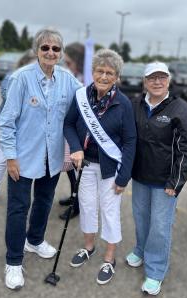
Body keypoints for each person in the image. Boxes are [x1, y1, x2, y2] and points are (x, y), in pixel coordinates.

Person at [0, 28, 82, 290]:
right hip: (23, 159)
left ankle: (34, 240)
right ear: (37, 51)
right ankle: (13, 261)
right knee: (18, 208)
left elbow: (90, 101)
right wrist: (10, 158)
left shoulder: (68, 80)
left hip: (52, 158)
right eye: (45, 47)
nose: (50, 52)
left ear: (61, 53)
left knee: (44, 202)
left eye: (56, 49)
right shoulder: (21, 79)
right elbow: (6, 122)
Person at [64, 48, 136, 285]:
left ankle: (109, 258)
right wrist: (75, 147)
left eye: (109, 73)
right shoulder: (81, 96)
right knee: (86, 206)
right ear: (92, 72)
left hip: (110, 169)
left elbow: (129, 141)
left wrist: (123, 177)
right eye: (99, 71)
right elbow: (69, 124)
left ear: (117, 77)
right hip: (85, 164)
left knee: (110, 211)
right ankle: (89, 247)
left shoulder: (123, 103)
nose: (104, 77)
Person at [126, 62, 187, 295]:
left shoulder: (180, 108)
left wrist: (175, 183)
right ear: (144, 81)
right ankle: (140, 249)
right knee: (141, 218)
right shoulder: (135, 103)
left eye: (161, 77)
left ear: (169, 80)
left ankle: (155, 270)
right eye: (152, 78)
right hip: (140, 176)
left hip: (165, 181)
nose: (157, 82)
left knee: (160, 226)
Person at [0, 49, 37, 210]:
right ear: (24, 63)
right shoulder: (13, 77)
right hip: (10, 126)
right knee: (2, 159)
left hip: (27, 128)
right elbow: (7, 97)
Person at [58, 42, 85, 220]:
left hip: (80, 131)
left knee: (77, 169)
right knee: (69, 167)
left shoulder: (86, 77)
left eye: (69, 62)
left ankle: (77, 205)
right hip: (70, 128)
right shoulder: (73, 75)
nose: (67, 66)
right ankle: (74, 197)